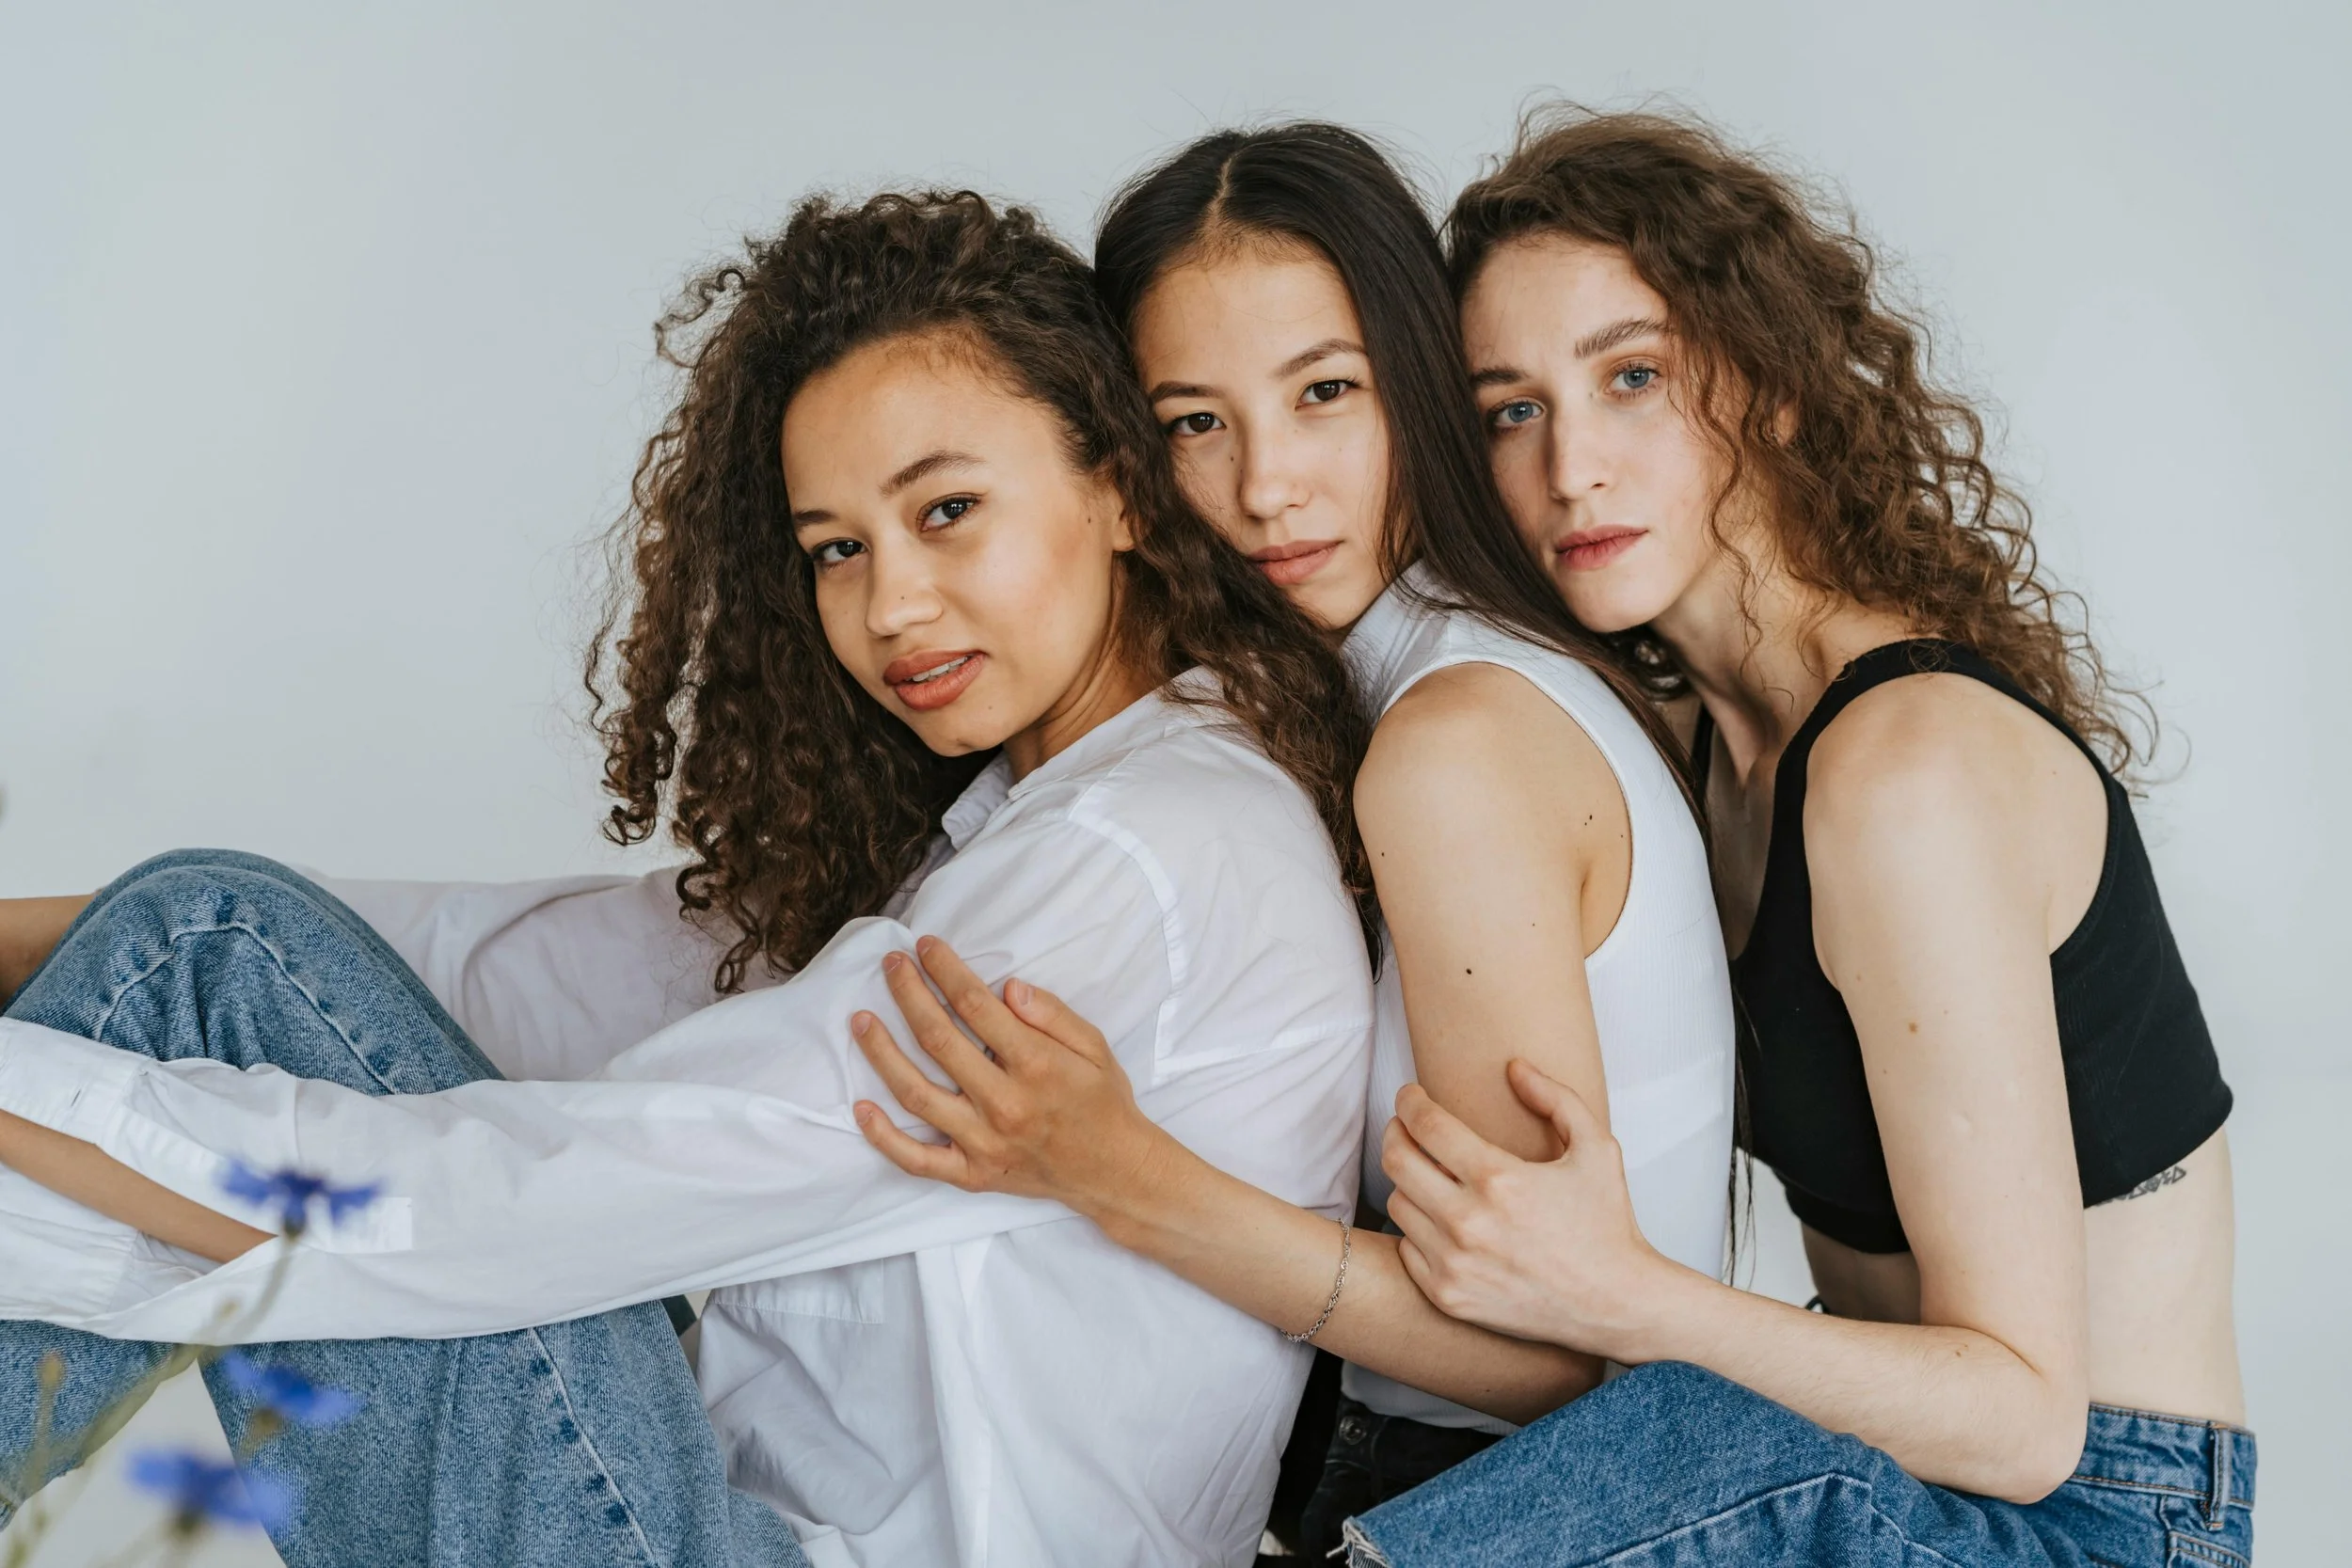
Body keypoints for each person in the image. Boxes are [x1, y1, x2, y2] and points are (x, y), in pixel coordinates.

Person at [0, 189, 1383, 1568]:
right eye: (837, 548)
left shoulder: (1135, 855)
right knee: (211, 935)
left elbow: (594, 1181)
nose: (889, 603)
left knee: (211, 952)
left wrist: (48, 1112)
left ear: (1122, 489)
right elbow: (517, 965)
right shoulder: (1033, 821)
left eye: (947, 510)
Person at [1309, 109, 2249, 1565]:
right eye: (1510, 409)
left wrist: (1612, 1288)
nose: (1572, 467)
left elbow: (2022, 1417)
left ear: (1780, 385)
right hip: (1873, 1449)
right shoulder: (1691, 746)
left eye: (1633, 378)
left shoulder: (1902, 769)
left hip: (2093, 1517)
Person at [840, 125, 1736, 1560]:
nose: (1266, 487)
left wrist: (1115, 1169)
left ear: (1420, 382)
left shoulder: (1453, 741)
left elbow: (1549, 1344)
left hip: (1522, 1508)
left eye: (1326, 393)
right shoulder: (1347, 702)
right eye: (1193, 420)